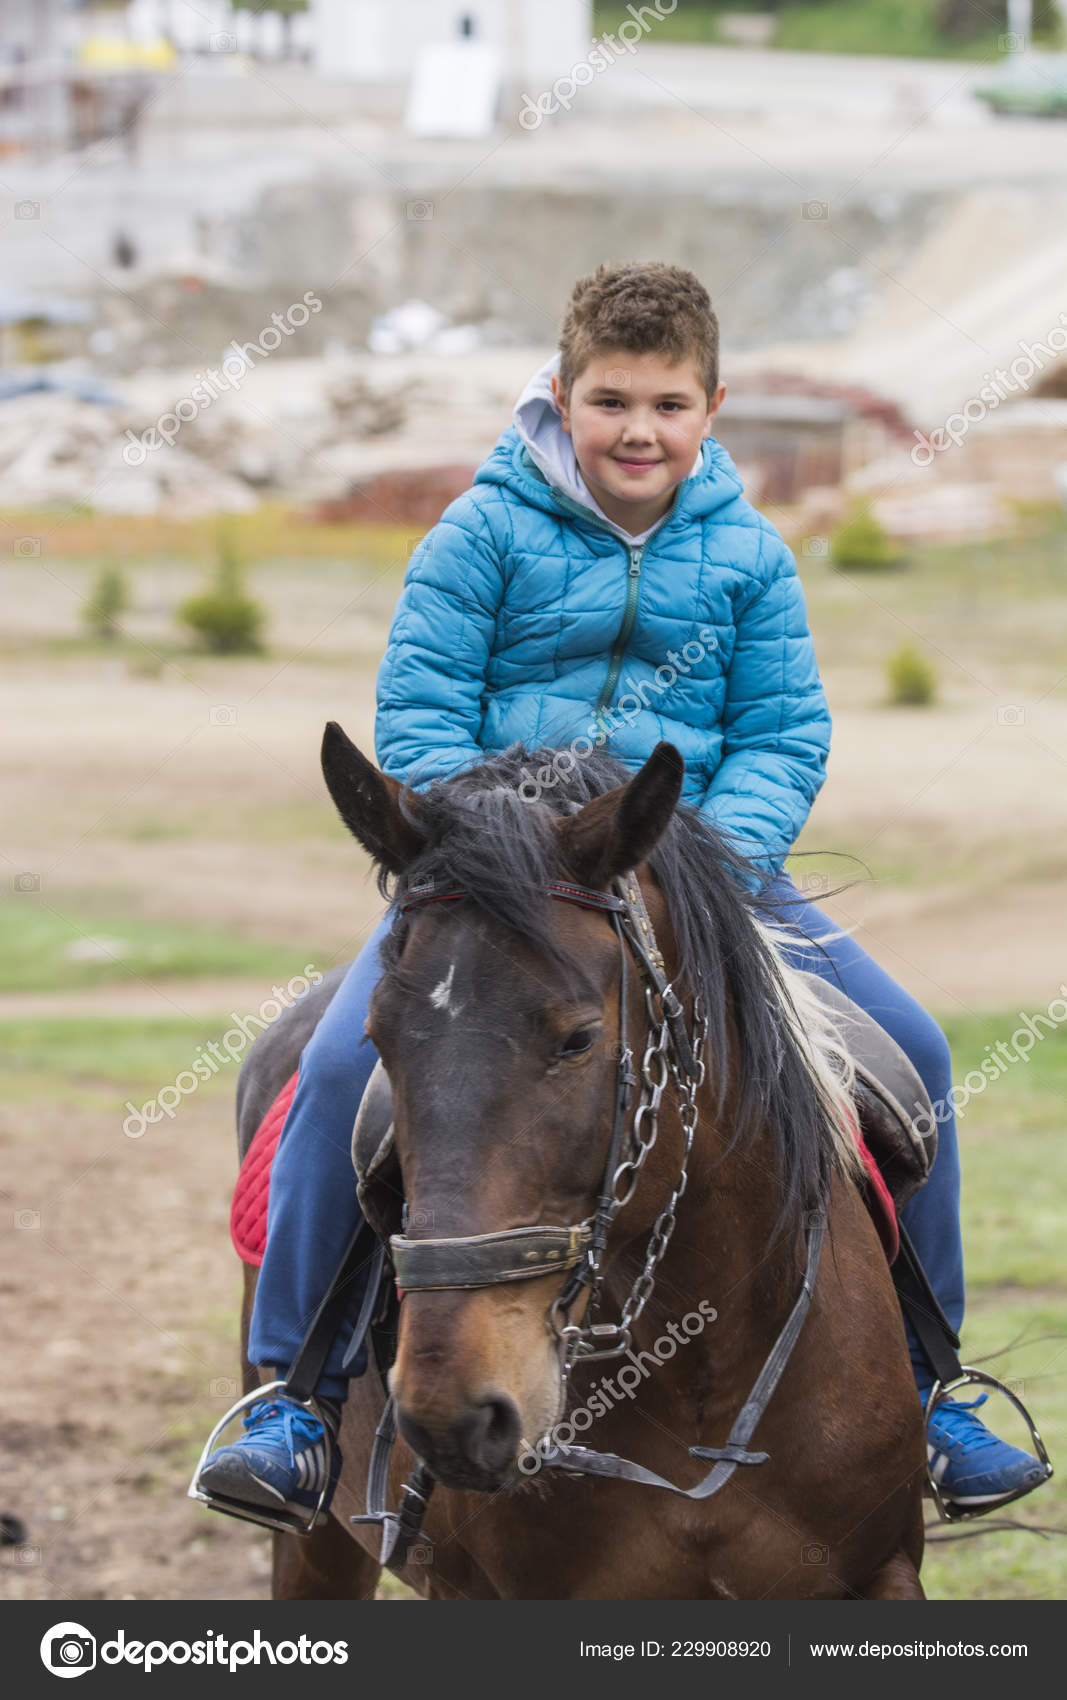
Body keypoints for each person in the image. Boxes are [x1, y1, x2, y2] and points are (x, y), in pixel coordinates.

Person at [199, 262, 1049, 1527]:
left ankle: (934, 1393)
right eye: (608, 401)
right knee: (331, 1076)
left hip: (702, 883)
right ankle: (298, 1400)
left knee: (913, 1057)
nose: (636, 430)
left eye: (665, 402)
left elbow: (781, 736)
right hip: (492, 886)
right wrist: (495, 840)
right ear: (559, 395)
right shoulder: (478, 533)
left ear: (711, 407)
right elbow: (419, 719)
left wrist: (701, 861)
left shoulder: (750, 556)